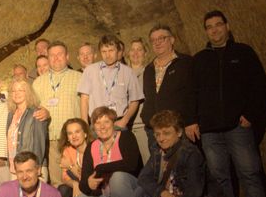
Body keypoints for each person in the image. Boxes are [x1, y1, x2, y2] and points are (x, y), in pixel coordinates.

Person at [188, 10, 266, 197]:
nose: (214, 30)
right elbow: (192, 93)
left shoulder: (243, 53)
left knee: (250, 174)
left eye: (218, 25)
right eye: (210, 26)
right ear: (205, 31)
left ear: (227, 26)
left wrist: (251, 115)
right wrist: (192, 120)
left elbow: (258, 87)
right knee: (219, 178)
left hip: (238, 127)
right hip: (210, 130)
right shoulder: (200, 59)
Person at [136, 110, 226, 197]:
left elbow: (194, 193)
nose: (161, 138)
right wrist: (160, 191)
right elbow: (143, 177)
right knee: (140, 194)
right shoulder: (157, 152)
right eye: (157, 134)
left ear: (178, 133)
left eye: (166, 133)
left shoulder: (190, 153)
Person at [72, 107, 143, 197]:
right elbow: (84, 183)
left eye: (106, 121)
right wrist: (89, 184)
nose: (102, 126)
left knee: (118, 177)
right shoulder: (92, 147)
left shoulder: (125, 137)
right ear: (93, 126)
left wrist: (101, 168)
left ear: (113, 122)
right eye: (98, 123)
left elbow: (131, 164)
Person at [32, 41, 82, 186]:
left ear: (67, 57)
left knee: (77, 179)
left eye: (59, 54)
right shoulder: (38, 83)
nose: (56, 58)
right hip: (51, 140)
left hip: (73, 140)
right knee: (57, 184)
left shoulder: (79, 77)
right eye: (52, 55)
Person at [141, 25, 196, 157]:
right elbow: (149, 97)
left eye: (162, 38)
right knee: (160, 171)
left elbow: (193, 93)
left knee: (184, 168)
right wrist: (147, 119)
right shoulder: (148, 69)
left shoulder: (185, 62)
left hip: (179, 128)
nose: (157, 42)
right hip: (155, 131)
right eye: (153, 40)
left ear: (172, 40)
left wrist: (191, 121)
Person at [78, 35, 144, 129]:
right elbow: (84, 99)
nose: (107, 55)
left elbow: (135, 100)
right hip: (96, 124)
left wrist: (124, 120)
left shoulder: (128, 72)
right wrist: (85, 123)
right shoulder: (90, 70)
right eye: (104, 51)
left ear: (117, 51)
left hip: (119, 123)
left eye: (111, 51)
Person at [6, 78, 47, 178]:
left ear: (28, 93)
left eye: (21, 90)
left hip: (31, 167)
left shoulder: (36, 112)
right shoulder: (11, 114)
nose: (16, 93)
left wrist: (37, 165)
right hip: (14, 167)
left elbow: (39, 141)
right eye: (14, 91)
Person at [56, 118, 91, 197]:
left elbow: (88, 178)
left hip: (93, 189)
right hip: (79, 186)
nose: (74, 136)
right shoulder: (68, 150)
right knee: (62, 190)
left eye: (77, 131)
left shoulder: (93, 148)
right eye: (70, 133)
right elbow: (65, 178)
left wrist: (70, 166)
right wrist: (75, 184)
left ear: (85, 134)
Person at [126, 38, 151, 164]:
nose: (135, 53)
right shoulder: (122, 73)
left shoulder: (150, 72)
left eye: (139, 49)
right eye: (133, 50)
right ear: (128, 53)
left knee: (149, 163)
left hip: (143, 126)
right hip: (126, 127)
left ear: (145, 53)